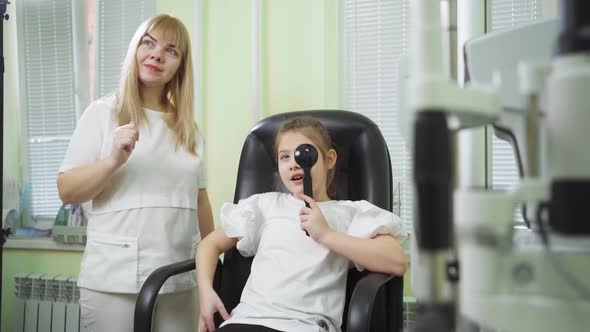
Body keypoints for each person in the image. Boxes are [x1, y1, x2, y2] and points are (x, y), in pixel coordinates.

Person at [57, 14, 213, 332]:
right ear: (135, 50)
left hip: (179, 279)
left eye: (171, 50)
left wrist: (214, 271)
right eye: (149, 43)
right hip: (113, 282)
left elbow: (200, 202)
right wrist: (111, 160)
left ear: (180, 66)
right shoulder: (103, 113)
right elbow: (67, 190)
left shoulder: (189, 130)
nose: (157, 54)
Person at [196, 117, 408, 332]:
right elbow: (209, 245)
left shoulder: (349, 212)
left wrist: (326, 235)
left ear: (330, 159)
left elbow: (396, 261)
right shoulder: (265, 206)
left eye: (304, 153)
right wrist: (205, 292)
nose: (294, 163)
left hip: (304, 326)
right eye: (284, 157)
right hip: (248, 320)